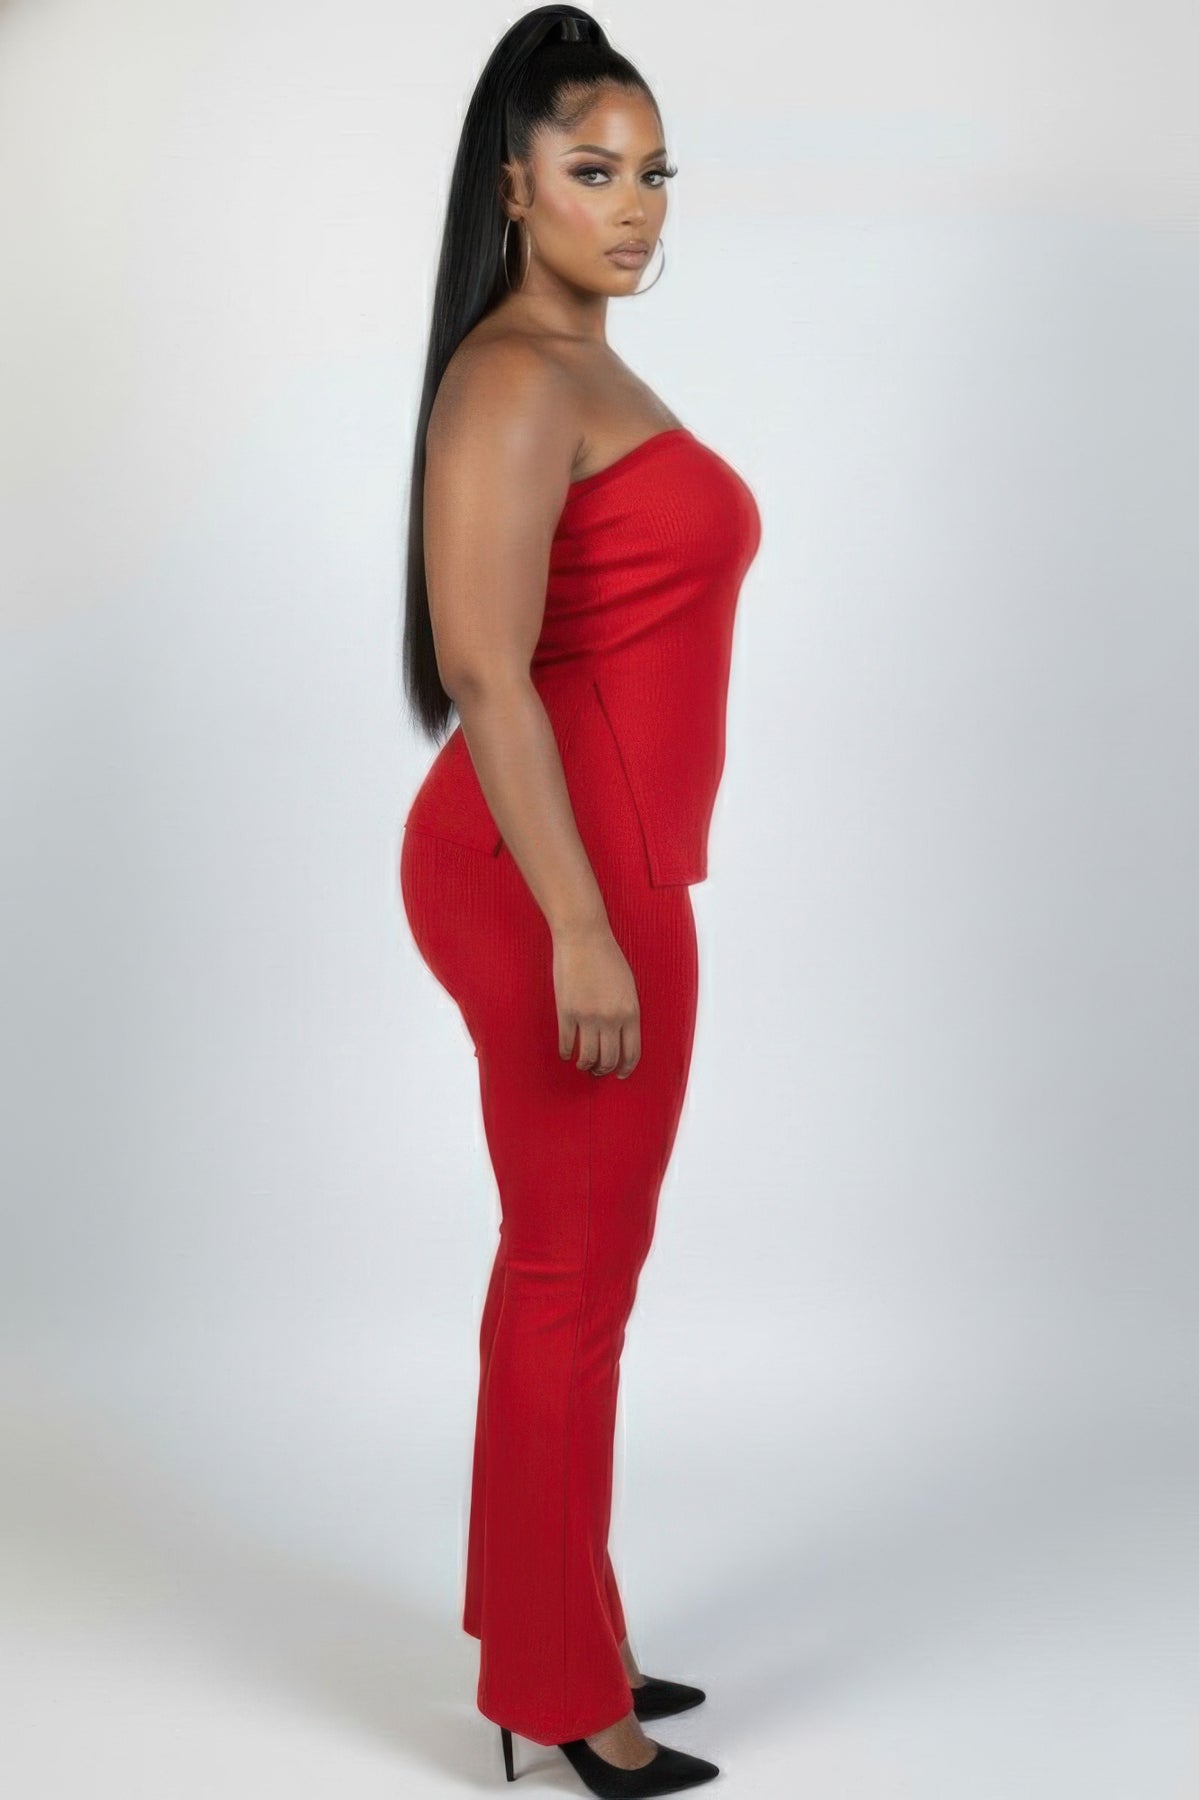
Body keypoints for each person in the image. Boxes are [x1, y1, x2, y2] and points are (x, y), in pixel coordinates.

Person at [397, 9, 761, 1794]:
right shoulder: (517, 377)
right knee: (569, 1275)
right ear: (513, 187)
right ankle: (558, 1691)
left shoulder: (585, 367)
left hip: (600, 860)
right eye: (594, 170)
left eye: (653, 172)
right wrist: (581, 925)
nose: (634, 205)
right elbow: (484, 664)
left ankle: (555, 1628)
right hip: (553, 873)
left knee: (572, 1269)